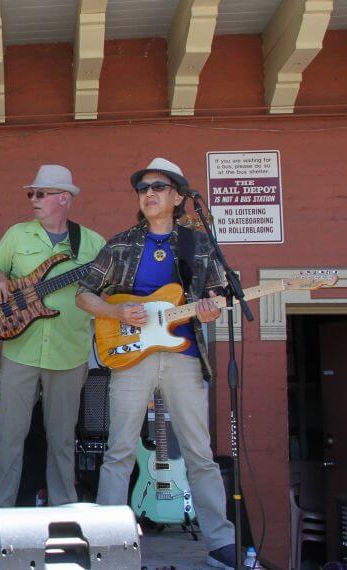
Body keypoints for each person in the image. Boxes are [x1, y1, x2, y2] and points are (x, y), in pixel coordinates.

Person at [75, 158, 238, 569]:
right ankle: (108, 544)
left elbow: (218, 294)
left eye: (159, 187)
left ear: (179, 197)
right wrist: (116, 312)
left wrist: (210, 308)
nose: (149, 193)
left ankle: (221, 543)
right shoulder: (121, 244)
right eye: (143, 188)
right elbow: (84, 294)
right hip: (132, 355)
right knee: (119, 450)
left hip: (184, 355)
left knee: (199, 452)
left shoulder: (198, 244)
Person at [0, 165, 104, 509]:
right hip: (20, 348)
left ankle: (63, 511)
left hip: (69, 351)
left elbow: (108, 289)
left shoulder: (92, 243)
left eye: (40, 194)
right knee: (8, 436)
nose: (33, 199)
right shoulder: (17, 234)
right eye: (31, 194)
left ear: (64, 198)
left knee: (62, 439)